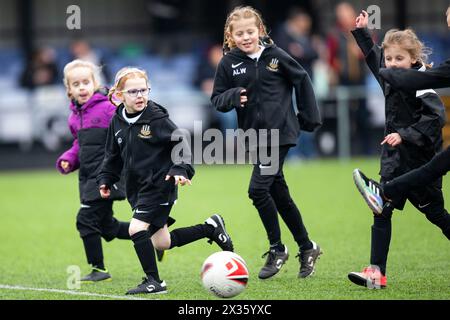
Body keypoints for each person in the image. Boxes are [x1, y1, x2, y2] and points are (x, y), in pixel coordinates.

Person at [97, 67, 233, 295]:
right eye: (133, 92)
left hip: (160, 185)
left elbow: (181, 144)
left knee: (136, 228)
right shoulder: (117, 121)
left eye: (143, 90)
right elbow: (111, 155)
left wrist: (180, 168)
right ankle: (209, 228)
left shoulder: (157, 119)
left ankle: (154, 281)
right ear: (119, 95)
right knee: (161, 242)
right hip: (137, 189)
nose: (140, 95)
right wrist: (106, 179)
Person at [211, 6, 322, 280]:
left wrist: (308, 117)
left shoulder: (276, 56)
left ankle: (277, 248)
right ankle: (308, 247)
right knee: (278, 193)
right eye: (240, 33)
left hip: (280, 133)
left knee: (257, 190)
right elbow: (217, 99)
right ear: (231, 36)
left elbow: (303, 79)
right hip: (253, 137)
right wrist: (233, 96)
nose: (246, 37)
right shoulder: (228, 63)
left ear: (260, 31)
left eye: (251, 31)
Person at [348, 10, 449, 289]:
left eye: (399, 59)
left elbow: (434, 121)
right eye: (389, 59)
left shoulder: (423, 87)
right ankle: (376, 273)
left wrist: (403, 135)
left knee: (437, 216)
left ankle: (376, 272)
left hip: (420, 166)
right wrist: (363, 33)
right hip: (394, 163)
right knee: (381, 209)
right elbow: (373, 58)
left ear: (414, 59)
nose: (392, 64)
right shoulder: (392, 77)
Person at [56, 59, 130, 282]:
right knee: (107, 227)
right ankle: (153, 233)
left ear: (95, 83)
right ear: (69, 89)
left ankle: (98, 269)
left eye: (86, 82)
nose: (82, 87)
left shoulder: (108, 108)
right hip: (87, 178)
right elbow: (80, 145)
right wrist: (68, 159)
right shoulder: (73, 118)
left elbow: (125, 131)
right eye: (76, 84)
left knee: (85, 220)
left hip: (106, 176)